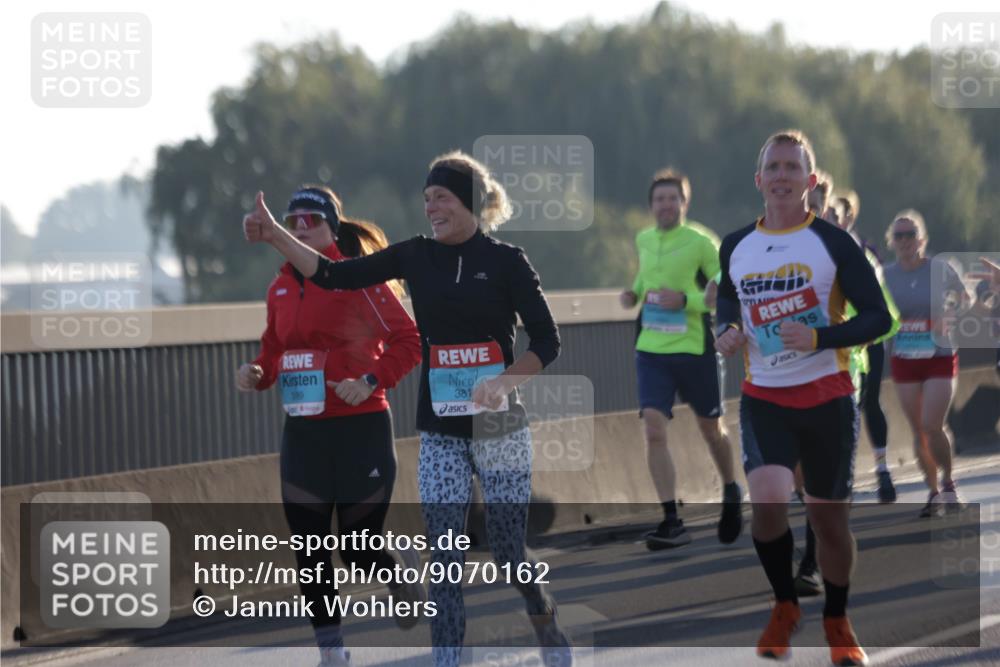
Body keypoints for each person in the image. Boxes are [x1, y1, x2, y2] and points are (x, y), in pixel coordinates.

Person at [244, 153, 572, 667]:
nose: (431, 208)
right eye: (426, 199)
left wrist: (502, 382)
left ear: (469, 202)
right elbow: (332, 274)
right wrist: (274, 236)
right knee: (444, 559)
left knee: (508, 552)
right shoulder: (415, 256)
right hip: (440, 432)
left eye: (441, 197)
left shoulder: (508, 261)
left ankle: (541, 610)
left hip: (499, 424)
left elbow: (548, 341)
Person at [715, 130, 890, 666]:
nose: (784, 176)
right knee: (767, 502)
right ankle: (785, 605)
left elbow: (880, 319)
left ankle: (836, 617)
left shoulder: (834, 244)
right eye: (775, 167)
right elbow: (728, 301)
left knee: (828, 521)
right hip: (765, 398)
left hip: (828, 396)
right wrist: (726, 331)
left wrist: (820, 337)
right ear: (759, 180)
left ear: (810, 181)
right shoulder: (736, 245)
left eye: (794, 167)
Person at [237, 185, 424, 666]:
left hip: (360, 429)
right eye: (292, 220)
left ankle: (393, 571)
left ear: (332, 228)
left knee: (357, 548)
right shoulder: (279, 286)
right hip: (304, 434)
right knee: (310, 547)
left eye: (310, 220)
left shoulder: (358, 278)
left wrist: (370, 379)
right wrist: (258, 372)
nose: (300, 227)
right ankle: (332, 652)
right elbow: (275, 349)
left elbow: (408, 339)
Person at [619, 168, 742, 549]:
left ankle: (731, 488)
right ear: (651, 205)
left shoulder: (702, 241)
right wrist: (633, 293)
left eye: (674, 198)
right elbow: (646, 278)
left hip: (693, 349)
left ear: (685, 203)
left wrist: (685, 302)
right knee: (654, 428)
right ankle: (671, 519)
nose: (666, 205)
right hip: (652, 350)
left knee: (711, 429)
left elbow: (723, 290)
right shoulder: (643, 238)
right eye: (660, 199)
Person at [883, 210, 970, 518]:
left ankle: (949, 482)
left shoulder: (940, 268)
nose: (905, 241)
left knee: (933, 425)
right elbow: (875, 309)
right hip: (905, 358)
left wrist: (950, 314)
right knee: (919, 430)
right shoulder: (885, 275)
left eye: (910, 235)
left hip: (940, 356)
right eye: (899, 236)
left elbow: (963, 297)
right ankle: (933, 492)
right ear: (892, 242)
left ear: (922, 239)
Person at [834, 192, 901, 504]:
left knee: (868, 402)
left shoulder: (863, 256)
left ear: (846, 220)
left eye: (834, 216)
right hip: (829, 347)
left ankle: (882, 468)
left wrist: (868, 330)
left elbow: (888, 314)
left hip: (864, 345)